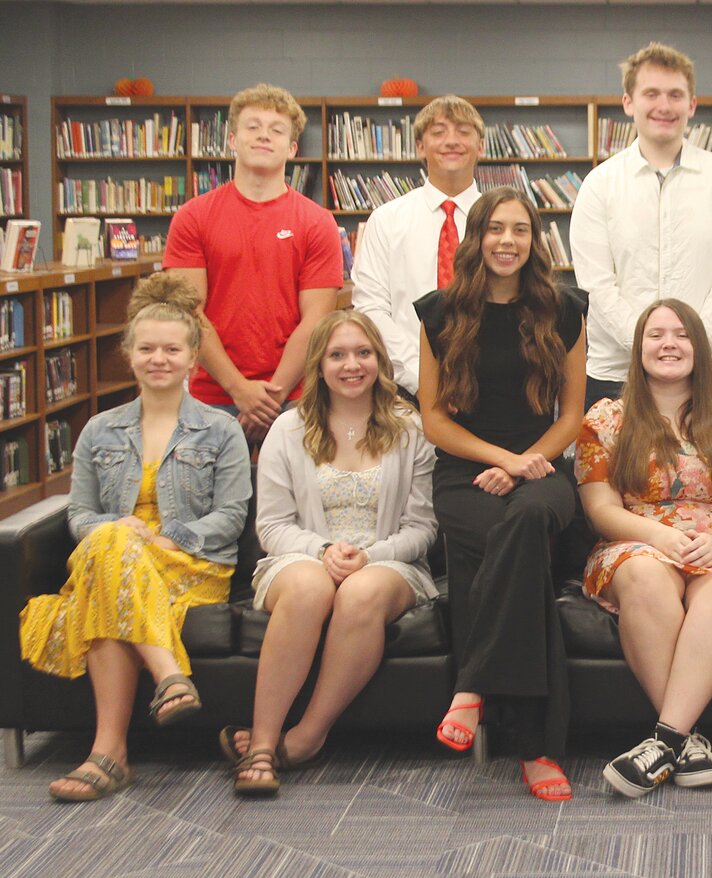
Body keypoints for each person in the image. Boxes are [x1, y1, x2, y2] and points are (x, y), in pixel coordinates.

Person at [19, 273, 251, 801]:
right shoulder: (99, 430)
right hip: (117, 557)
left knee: (109, 565)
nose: (159, 358)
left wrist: (169, 538)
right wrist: (117, 530)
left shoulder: (221, 430)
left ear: (194, 358)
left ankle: (108, 755)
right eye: (147, 348)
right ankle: (168, 677)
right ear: (129, 355)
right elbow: (80, 514)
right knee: (109, 544)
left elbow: (231, 516)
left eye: (172, 348)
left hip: (191, 566)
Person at [222, 310, 438, 796]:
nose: (351, 365)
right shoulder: (286, 429)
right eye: (337, 354)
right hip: (300, 558)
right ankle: (262, 743)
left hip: (389, 563)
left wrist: (371, 554)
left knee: (360, 592)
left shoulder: (410, 430)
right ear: (318, 364)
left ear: (380, 361)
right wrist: (321, 550)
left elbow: (422, 528)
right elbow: (271, 526)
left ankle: (306, 737)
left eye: (363, 353)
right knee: (307, 585)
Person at [415, 186, 585, 801]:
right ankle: (538, 751)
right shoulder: (438, 312)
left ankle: (471, 686)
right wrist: (499, 461)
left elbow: (572, 415)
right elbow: (434, 421)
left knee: (525, 525)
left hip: (544, 473)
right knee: (522, 562)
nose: (507, 241)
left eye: (519, 229)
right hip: (465, 472)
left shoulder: (564, 310)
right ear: (476, 238)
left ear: (534, 239)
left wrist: (523, 466)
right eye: (495, 229)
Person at [576, 299, 712, 798]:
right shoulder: (607, 417)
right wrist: (658, 535)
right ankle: (687, 742)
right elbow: (600, 508)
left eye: (681, 334)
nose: (669, 344)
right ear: (638, 350)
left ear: (699, 348)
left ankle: (664, 742)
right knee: (642, 572)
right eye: (656, 335)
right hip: (635, 540)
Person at [571, 42, 712, 407]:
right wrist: (651, 346)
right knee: (617, 468)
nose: (664, 106)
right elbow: (596, 285)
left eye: (676, 95)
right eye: (651, 93)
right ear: (628, 102)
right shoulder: (600, 183)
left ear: (692, 105)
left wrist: (690, 348)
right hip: (618, 375)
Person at [163, 83, 343, 441]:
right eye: (252, 126)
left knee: (293, 498)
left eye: (276, 130)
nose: (264, 136)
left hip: (294, 398)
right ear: (232, 140)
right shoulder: (192, 217)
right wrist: (238, 389)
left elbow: (317, 319)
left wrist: (272, 394)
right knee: (211, 498)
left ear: (292, 148)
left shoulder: (317, 222)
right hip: (212, 395)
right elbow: (188, 312)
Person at [352, 95, 485, 401]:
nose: (451, 141)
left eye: (463, 131)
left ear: (481, 146)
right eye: (438, 132)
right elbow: (371, 308)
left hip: (488, 386)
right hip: (402, 389)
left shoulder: (501, 221)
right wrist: (421, 377)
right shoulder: (386, 220)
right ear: (421, 147)